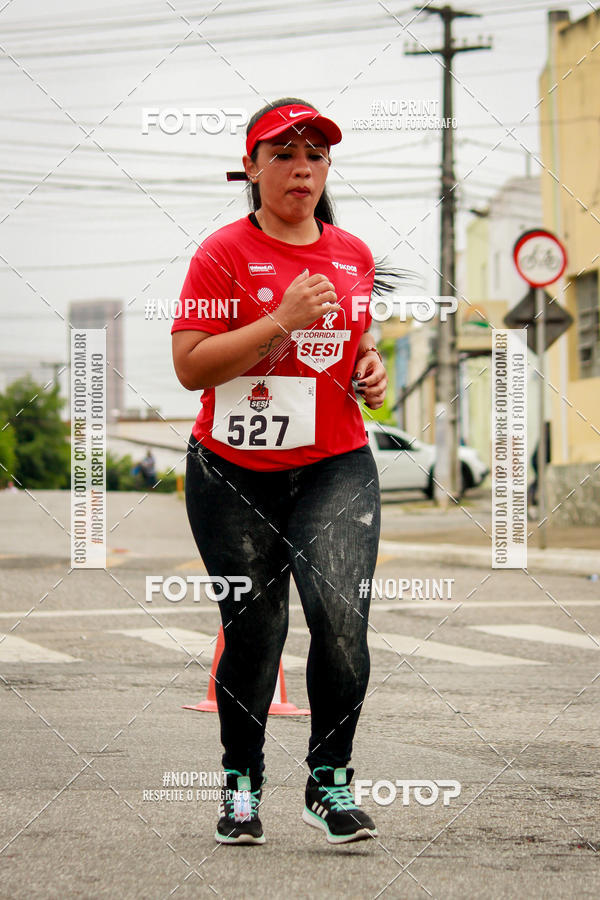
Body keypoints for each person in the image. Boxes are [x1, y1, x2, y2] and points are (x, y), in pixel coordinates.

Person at [172, 97, 402, 846]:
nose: (302, 168)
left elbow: (357, 347)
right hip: (233, 473)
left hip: (335, 464)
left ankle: (329, 784)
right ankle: (241, 789)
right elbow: (189, 366)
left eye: (315, 155)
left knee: (341, 622)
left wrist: (368, 371)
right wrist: (281, 320)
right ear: (251, 166)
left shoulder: (354, 254)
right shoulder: (222, 254)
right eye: (284, 154)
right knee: (255, 632)